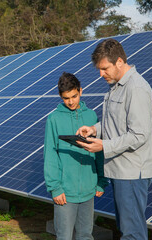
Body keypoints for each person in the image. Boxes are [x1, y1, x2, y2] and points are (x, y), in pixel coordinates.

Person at [76, 39, 152, 240]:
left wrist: (104, 145)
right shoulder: (116, 87)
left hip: (132, 172)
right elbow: (117, 124)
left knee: (132, 232)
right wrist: (94, 130)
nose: (101, 74)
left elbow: (139, 134)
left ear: (119, 61)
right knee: (126, 227)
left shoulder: (136, 88)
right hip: (121, 170)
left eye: (104, 68)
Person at [43, 72, 108, 240]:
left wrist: (101, 180)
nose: (71, 101)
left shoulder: (91, 116)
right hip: (65, 191)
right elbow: (50, 154)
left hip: (88, 189)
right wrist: (55, 188)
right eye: (66, 98)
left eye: (74, 96)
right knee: (64, 236)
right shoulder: (54, 119)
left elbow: (99, 151)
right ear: (60, 96)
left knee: (86, 235)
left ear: (81, 91)